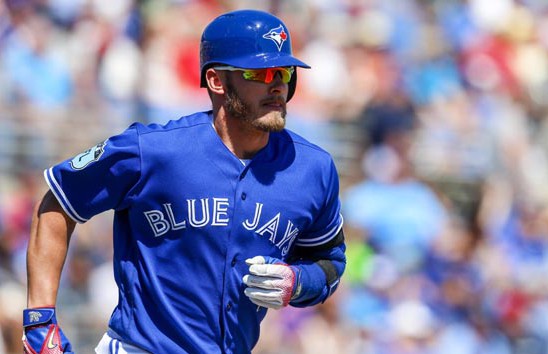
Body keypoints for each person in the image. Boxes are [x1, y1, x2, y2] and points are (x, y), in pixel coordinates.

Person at [23, 9, 346, 354]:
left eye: (284, 72)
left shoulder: (313, 169)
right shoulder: (154, 150)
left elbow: (329, 261)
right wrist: (40, 320)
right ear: (217, 81)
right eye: (261, 72)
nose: (277, 84)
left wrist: (298, 283)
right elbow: (59, 201)